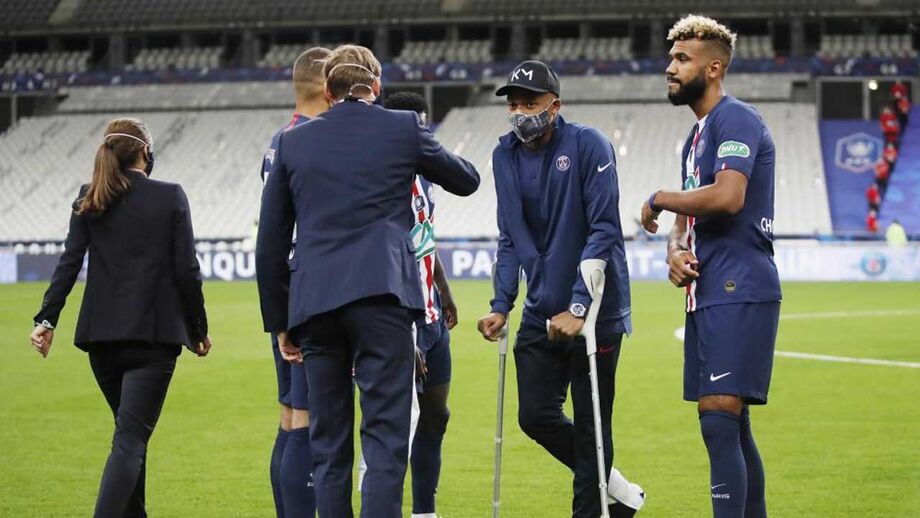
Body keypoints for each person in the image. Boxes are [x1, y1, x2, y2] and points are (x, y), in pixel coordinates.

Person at [256, 45, 479, 518]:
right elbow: (466, 180)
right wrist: (416, 148)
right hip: (383, 297)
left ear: (328, 91)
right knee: (384, 442)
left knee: (328, 444)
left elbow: (270, 244)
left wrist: (280, 323)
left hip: (315, 306)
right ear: (375, 87)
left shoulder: (294, 143)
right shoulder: (402, 128)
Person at [476, 60, 638, 518]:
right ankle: (617, 489)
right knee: (534, 417)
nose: (519, 112)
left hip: (597, 312)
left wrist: (580, 306)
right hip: (539, 308)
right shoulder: (503, 156)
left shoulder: (589, 144)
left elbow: (604, 229)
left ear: (555, 105)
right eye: (513, 104)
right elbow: (509, 237)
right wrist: (501, 304)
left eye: (530, 103)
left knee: (591, 427)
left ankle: (593, 508)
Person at [30, 117, 211, 517]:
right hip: (153, 339)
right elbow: (187, 270)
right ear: (146, 152)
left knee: (130, 437)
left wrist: (46, 320)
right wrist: (199, 329)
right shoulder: (170, 196)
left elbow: (69, 262)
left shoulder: (91, 196)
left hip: (101, 340)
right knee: (130, 440)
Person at [640, 15, 781, 518]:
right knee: (729, 423)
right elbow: (688, 219)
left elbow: (727, 196)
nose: (670, 68)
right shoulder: (695, 138)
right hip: (710, 288)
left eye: (682, 59)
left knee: (719, 418)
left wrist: (659, 197)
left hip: (738, 283)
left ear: (714, 68)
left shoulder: (735, 119)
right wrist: (675, 250)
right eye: (671, 58)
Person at [260, 46, 332, 518]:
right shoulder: (313, 142)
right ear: (329, 87)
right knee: (307, 419)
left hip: (284, 292)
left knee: (289, 417)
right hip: (309, 295)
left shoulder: (280, 139)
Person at [383, 91, 459, 518]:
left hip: (432, 318)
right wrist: (402, 331)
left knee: (436, 416)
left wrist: (444, 291)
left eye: (425, 125)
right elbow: (382, 257)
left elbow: (424, 237)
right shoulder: (380, 181)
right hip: (400, 320)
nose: (424, 134)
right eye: (417, 126)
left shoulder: (425, 177)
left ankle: (425, 512)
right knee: (395, 425)